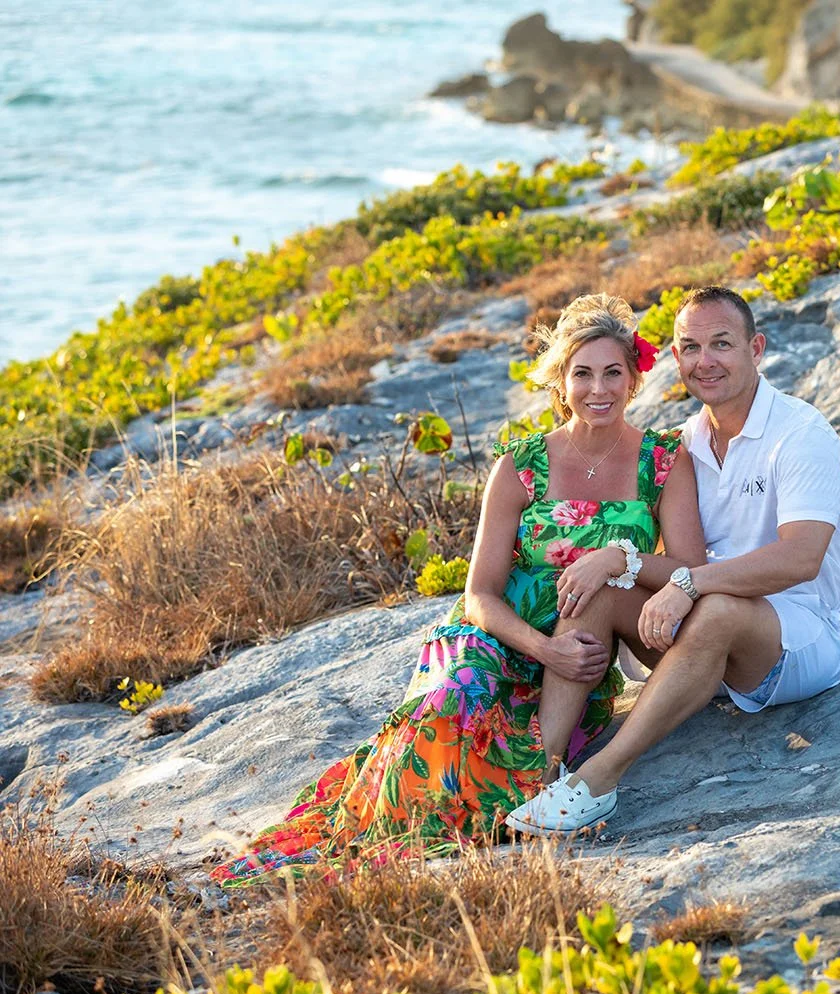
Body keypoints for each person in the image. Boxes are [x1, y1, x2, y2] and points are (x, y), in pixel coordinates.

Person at [211, 294, 705, 885]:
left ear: (634, 377)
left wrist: (613, 559)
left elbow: (686, 568)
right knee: (450, 714)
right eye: (582, 374)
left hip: (580, 651)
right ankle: (386, 845)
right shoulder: (520, 465)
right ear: (559, 381)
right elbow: (480, 594)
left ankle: (538, 789)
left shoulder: (663, 459)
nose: (598, 389)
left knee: (511, 755)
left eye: (612, 373)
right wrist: (540, 646)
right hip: (501, 638)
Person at [505, 285, 840, 835]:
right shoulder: (686, 443)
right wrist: (616, 557)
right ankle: (542, 774)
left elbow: (800, 559)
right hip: (699, 644)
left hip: (801, 635)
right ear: (675, 358)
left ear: (756, 347)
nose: (705, 360)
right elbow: (677, 567)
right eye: (691, 347)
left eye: (721, 343)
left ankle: (598, 779)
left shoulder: (800, 434)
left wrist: (689, 584)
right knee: (598, 588)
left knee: (717, 608)